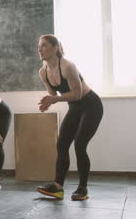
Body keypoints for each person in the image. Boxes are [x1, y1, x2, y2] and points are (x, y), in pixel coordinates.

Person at [37, 34, 103, 201]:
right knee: (62, 144)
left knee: (80, 145)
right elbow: (53, 93)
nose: (40, 49)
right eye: (39, 46)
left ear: (55, 48)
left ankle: (82, 188)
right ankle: (58, 187)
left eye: (44, 45)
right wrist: (48, 101)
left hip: (91, 105)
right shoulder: (43, 71)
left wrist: (54, 99)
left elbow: (77, 93)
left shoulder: (67, 66)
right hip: (75, 107)